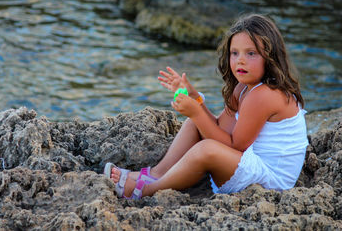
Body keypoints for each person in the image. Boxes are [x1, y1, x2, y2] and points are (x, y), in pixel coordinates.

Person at [104, 13, 308, 199]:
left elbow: (233, 146)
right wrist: (195, 99)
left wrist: (195, 111)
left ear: (270, 56)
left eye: (251, 54)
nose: (240, 61)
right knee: (195, 124)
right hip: (251, 161)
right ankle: (152, 175)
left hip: (271, 182)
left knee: (206, 149)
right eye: (234, 53)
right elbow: (219, 127)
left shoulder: (264, 95)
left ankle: (144, 191)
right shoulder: (244, 88)